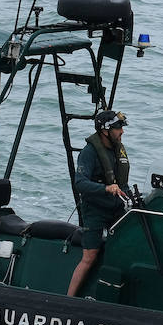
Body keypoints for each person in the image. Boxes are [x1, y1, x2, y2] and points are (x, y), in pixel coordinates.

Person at [67, 109, 132, 297]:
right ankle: (69, 298)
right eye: (118, 128)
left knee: (127, 245)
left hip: (117, 208)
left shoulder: (117, 149)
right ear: (105, 131)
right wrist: (105, 188)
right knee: (90, 256)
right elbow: (79, 182)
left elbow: (122, 182)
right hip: (95, 209)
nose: (122, 132)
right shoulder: (89, 153)